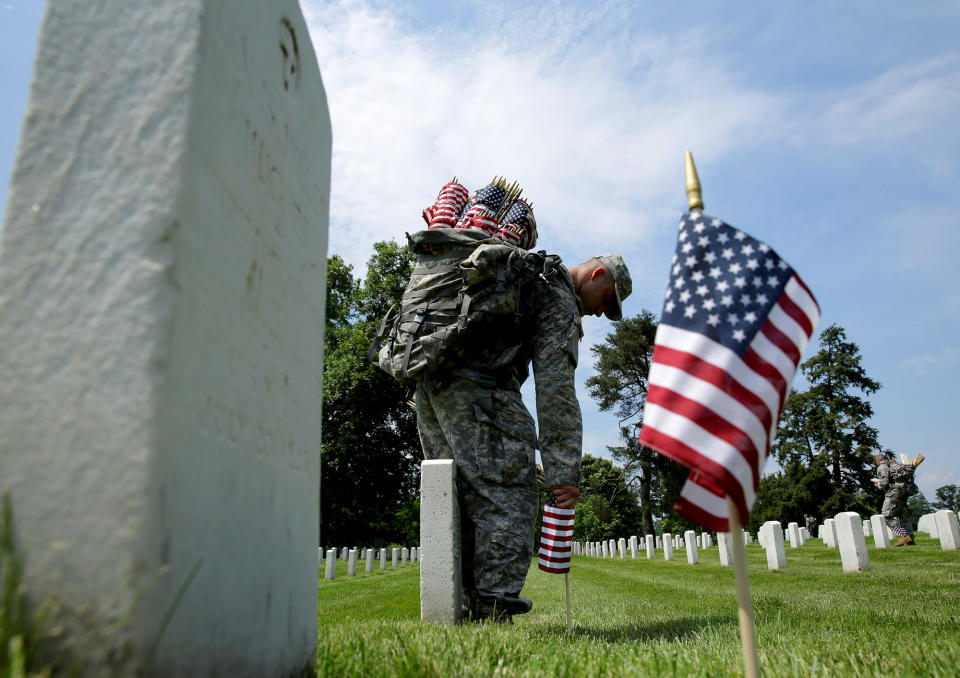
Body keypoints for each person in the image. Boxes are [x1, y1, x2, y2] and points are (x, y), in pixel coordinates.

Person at [415, 253, 631, 622]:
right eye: (607, 299)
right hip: (481, 389)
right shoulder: (559, 299)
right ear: (597, 274)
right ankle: (495, 608)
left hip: (427, 379)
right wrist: (563, 474)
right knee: (511, 492)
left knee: (463, 494)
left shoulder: (533, 279)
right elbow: (555, 391)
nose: (599, 312)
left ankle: (462, 604)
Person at [873, 451, 924, 546]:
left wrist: (878, 484)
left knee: (886, 516)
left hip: (893, 492)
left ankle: (904, 535)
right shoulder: (895, 465)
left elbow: (884, 483)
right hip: (905, 491)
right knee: (902, 516)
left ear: (878, 460)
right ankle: (911, 539)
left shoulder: (882, 467)